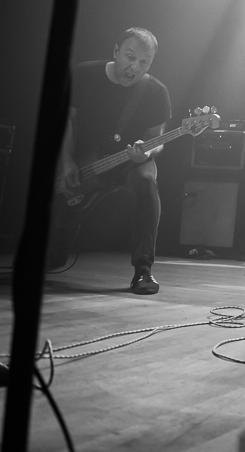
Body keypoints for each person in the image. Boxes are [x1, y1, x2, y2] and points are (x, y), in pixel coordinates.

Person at [50, 28, 172, 295]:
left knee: (146, 184)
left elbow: (158, 140)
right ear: (116, 51)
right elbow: (67, 120)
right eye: (129, 57)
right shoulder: (84, 74)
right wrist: (67, 161)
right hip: (89, 163)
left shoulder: (156, 92)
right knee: (63, 224)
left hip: (132, 160)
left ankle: (143, 271)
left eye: (144, 63)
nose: (134, 67)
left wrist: (148, 152)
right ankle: (55, 254)